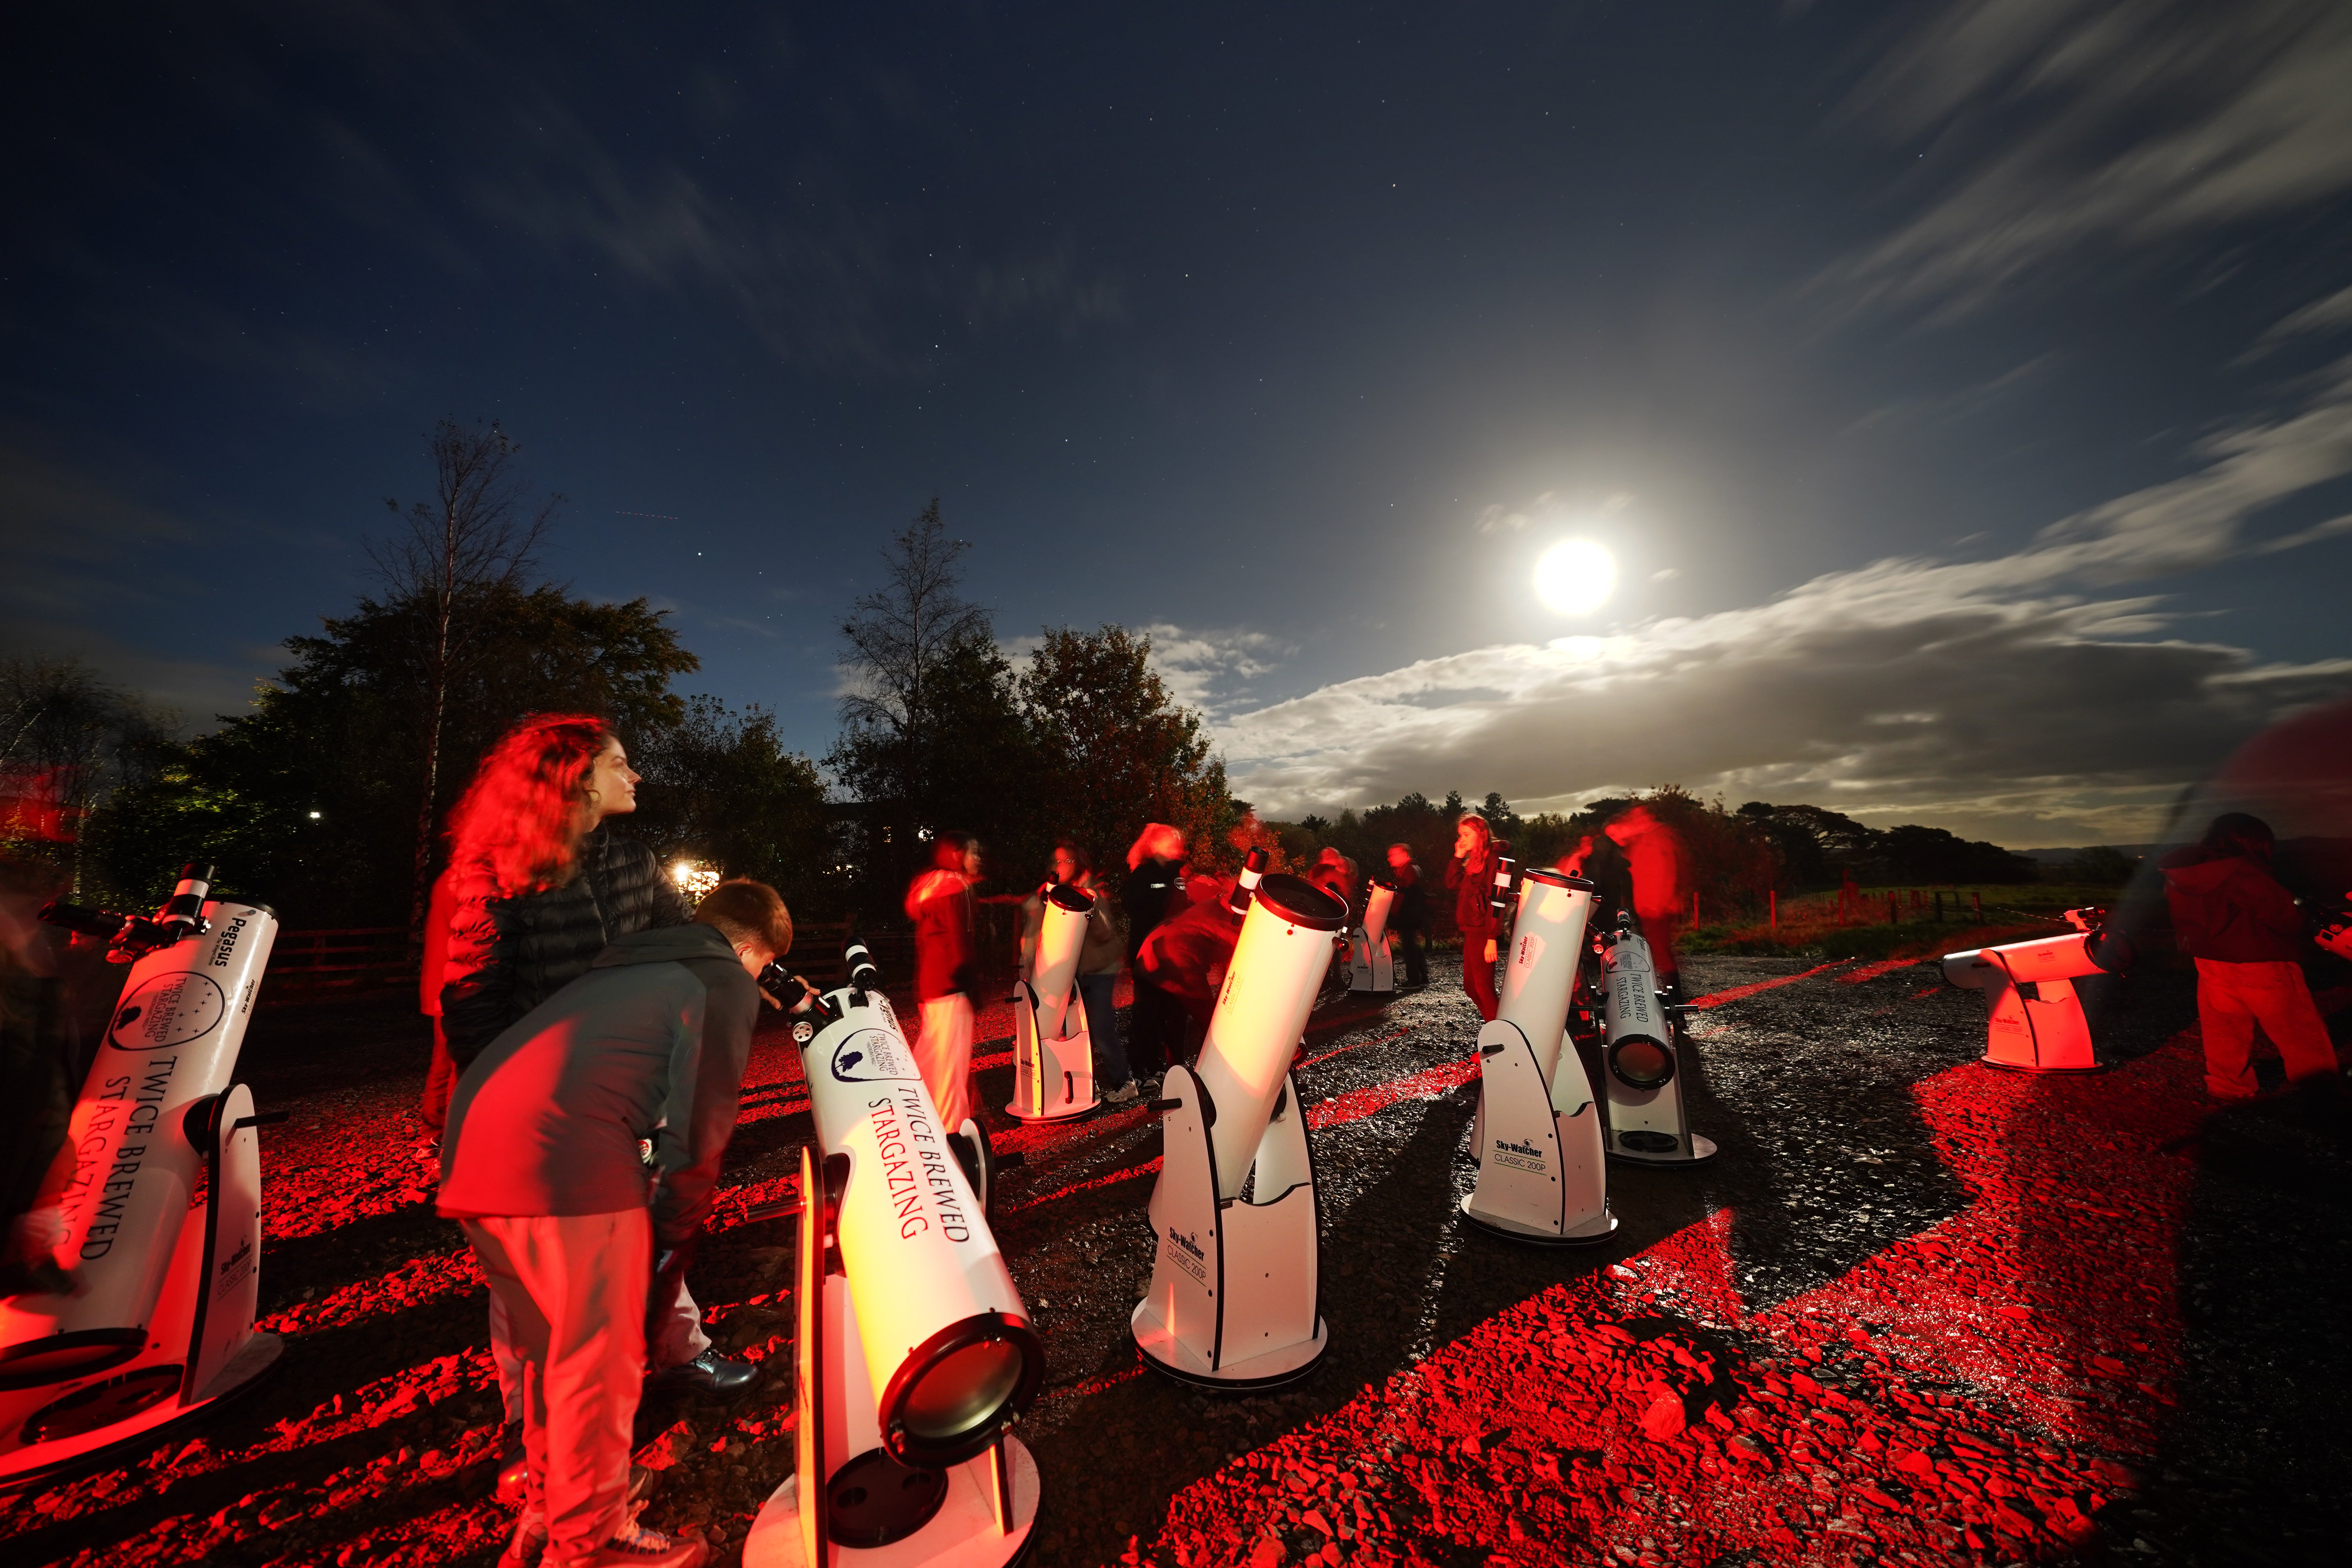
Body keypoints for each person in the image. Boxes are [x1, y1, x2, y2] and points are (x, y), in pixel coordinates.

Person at [435, 715, 752, 1506]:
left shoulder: (631, 860)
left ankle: (680, 1347)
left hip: (627, 1083)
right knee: (537, 1283)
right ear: (573, 777)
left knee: (645, 1221)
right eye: (620, 762)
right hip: (543, 1109)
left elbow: (665, 951)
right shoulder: (496, 870)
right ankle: (529, 1422)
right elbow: (470, 1004)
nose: (637, 774)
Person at [439, 878, 790, 1568]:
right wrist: (668, 1251)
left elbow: (631, 1098)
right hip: (562, 1156)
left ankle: (555, 1505)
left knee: (551, 1355)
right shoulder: (721, 978)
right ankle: (591, 1544)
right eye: (762, 966)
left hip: (477, 1139)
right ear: (748, 950)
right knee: (601, 1360)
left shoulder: (633, 962)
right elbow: (698, 1133)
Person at [2159, 813, 2343, 1102]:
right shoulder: (2239, 870)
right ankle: (2319, 1094)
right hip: (2261, 960)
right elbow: (2283, 916)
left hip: (2210, 963)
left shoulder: (2182, 873)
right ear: (2252, 841)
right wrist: (2305, 916)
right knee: (2299, 1032)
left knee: (2224, 1032)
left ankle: (2229, 1087)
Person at [1022, 842, 1137, 1105]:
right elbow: (1035, 929)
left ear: (1078, 864)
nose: (1060, 867)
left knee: (1100, 1027)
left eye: (1066, 862)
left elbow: (1105, 933)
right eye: (1057, 862)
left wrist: (1089, 909)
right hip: (1069, 971)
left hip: (1098, 970)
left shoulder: (1092, 893)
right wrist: (1028, 959)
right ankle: (1082, 1083)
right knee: (1065, 1029)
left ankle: (1125, 1081)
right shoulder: (1050, 894)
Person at [907, 832, 982, 1133]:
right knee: (950, 1063)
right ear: (956, 855)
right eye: (972, 852)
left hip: (931, 984)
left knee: (933, 1053)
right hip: (953, 985)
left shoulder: (929, 887)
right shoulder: (955, 888)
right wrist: (972, 986)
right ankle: (951, 1133)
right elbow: (959, 940)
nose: (977, 858)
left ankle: (917, 1116)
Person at [1122, 823, 1187, 1087]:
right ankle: (1138, 1069)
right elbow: (1135, 909)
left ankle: (1160, 1065)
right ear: (1156, 846)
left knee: (1169, 1011)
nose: (1176, 846)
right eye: (1170, 842)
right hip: (1148, 955)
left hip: (1172, 956)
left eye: (1177, 842)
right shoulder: (1143, 875)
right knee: (1146, 1012)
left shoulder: (1177, 873)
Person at [1445, 814, 1503, 1022]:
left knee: (1483, 987)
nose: (1462, 839)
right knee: (1470, 987)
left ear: (1482, 834)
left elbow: (1498, 901)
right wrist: (1458, 856)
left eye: (1467, 834)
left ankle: (1503, 1038)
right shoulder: (1474, 860)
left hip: (1484, 930)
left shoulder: (1494, 860)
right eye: (1461, 835)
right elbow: (1452, 884)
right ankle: (1494, 1028)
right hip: (1472, 928)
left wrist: (1492, 938)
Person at [1386, 843, 1430, 988]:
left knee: (1409, 947)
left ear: (1404, 855)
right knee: (1412, 945)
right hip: (1413, 914)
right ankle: (1422, 976)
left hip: (1408, 915)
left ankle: (1413, 980)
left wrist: (1393, 912)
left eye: (1392, 856)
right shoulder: (1413, 869)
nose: (1389, 859)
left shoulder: (1408, 871)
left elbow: (1402, 894)